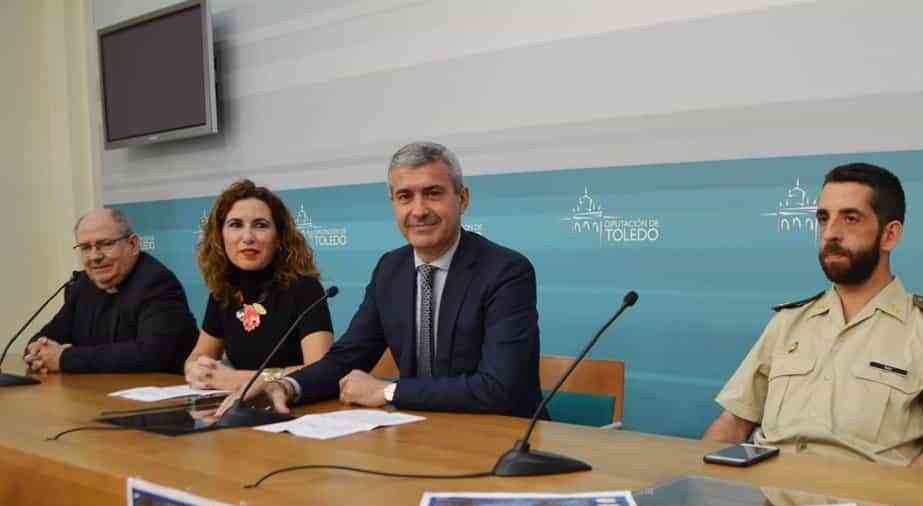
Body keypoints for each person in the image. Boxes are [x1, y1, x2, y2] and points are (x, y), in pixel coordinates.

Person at [704, 163, 923, 472]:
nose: (831, 233)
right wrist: (704, 485)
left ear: (889, 235)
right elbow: (733, 421)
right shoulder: (789, 322)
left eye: (850, 218)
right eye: (824, 218)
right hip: (765, 502)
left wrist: (900, 503)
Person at [230, 141, 541, 417]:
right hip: (420, 432)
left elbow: (499, 387)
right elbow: (347, 357)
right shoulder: (390, 269)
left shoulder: (505, 271)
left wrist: (388, 392)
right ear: (393, 203)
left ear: (463, 199)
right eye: (405, 196)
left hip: (502, 436)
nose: (418, 210)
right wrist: (287, 386)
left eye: (433, 194)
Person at [184, 179, 333, 392]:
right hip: (239, 409)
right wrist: (195, 369)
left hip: (297, 407)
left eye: (260, 225)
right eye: (235, 225)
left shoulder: (305, 289)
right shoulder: (223, 291)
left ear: (279, 237)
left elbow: (321, 370)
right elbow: (198, 356)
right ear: (220, 236)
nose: (247, 237)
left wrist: (239, 379)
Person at [25, 208, 198, 374]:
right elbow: (49, 335)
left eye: (105, 244)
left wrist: (65, 358)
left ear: (133, 244)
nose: (94, 256)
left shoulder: (157, 282)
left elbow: (152, 353)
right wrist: (37, 350)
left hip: (160, 396)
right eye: (85, 247)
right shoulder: (83, 284)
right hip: (97, 394)